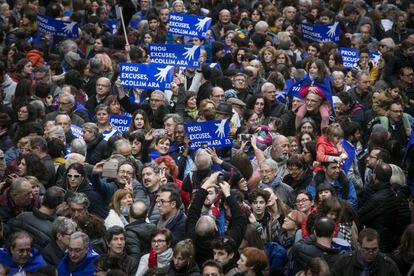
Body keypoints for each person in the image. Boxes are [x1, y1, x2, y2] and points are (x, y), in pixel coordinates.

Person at [186, 173, 247, 267]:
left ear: (195, 228)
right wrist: (228, 194)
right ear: (216, 227)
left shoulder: (190, 238)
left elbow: (193, 214)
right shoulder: (226, 243)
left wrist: (205, 185)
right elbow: (240, 220)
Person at [357, 163, 399, 253]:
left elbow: (360, 216)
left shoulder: (377, 198)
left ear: (374, 176)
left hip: (377, 243)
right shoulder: (394, 194)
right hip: (390, 241)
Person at [333, 228, 401, 275]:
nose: (370, 253)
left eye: (374, 249)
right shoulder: (344, 262)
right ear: (359, 246)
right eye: (366, 249)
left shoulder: (388, 266)